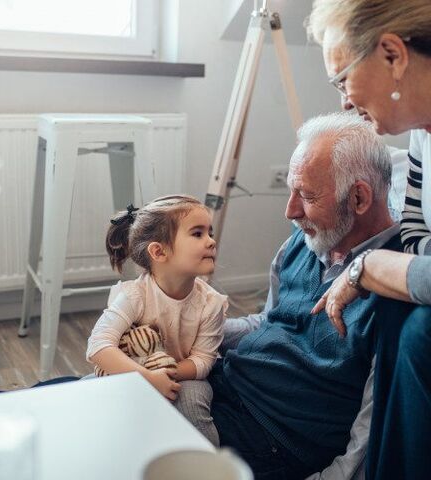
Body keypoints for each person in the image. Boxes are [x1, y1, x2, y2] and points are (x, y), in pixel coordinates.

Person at [176, 112, 400, 480]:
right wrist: (186, 331)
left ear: (359, 197)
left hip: (275, 439)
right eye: (291, 191)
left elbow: (371, 428)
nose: (290, 211)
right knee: (83, 398)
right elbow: (269, 321)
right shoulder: (303, 240)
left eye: (307, 196)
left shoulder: (394, 289)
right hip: (223, 386)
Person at [306, 2, 431, 478]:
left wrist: (371, 265)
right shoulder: (422, 135)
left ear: (393, 55)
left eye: (342, 80)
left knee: (421, 330)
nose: (341, 100)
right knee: (400, 306)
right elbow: (417, 228)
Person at [86, 195, 227, 445]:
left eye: (210, 232)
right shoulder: (134, 295)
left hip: (183, 378)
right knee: (87, 394)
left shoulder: (211, 303)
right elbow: (98, 346)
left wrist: (166, 375)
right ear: (159, 251)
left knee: (193, 402)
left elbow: (204, 360)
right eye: (197, 234)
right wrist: (147, 377)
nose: (211, 241)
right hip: (133, 373)